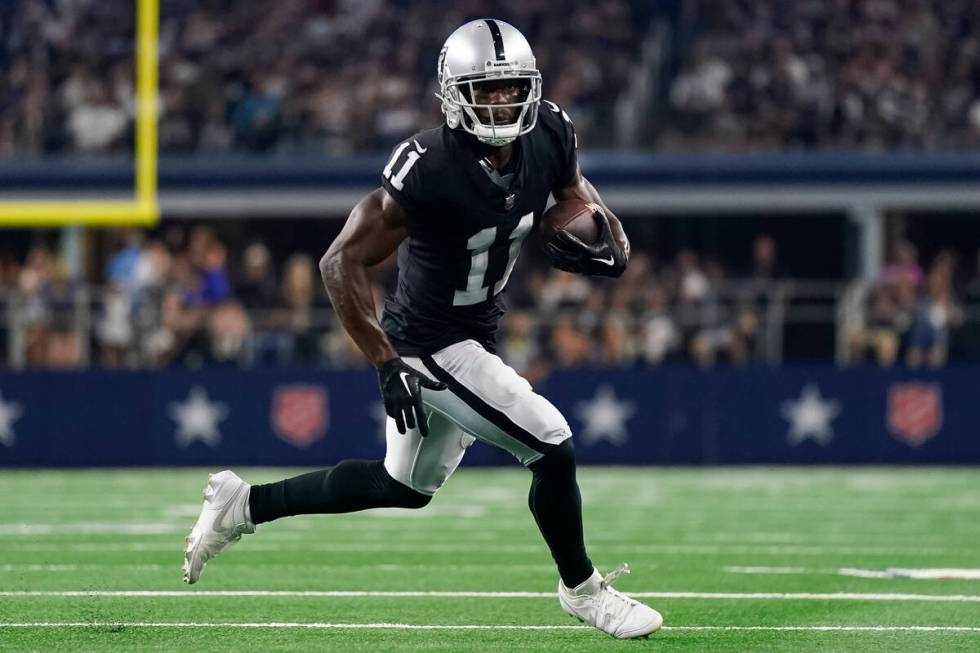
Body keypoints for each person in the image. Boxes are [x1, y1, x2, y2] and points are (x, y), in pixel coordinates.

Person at [182, 19, 662, 639]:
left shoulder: (550, 131)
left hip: (474, 332)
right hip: (428, 344)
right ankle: (584, 590)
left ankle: (243, 504)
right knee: (551, 444)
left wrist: (605, 232)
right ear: (451, 93)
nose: (500, 102)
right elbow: (339, 261)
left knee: (403, 486)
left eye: (511, 88)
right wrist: (386, 362)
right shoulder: (427, 165)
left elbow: (573, 192)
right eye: (483, 91)